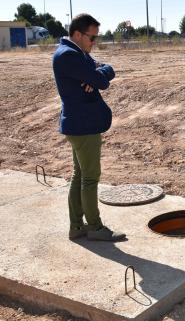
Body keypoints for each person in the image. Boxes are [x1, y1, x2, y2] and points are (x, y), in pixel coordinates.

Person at [52, 13, 126, 242]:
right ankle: (94, 227)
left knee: (79, 175)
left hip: (78, 124)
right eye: (92, 38)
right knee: (90, 178)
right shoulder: (70, 56)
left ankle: (77, 226)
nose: (94, 43)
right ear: (77, 34)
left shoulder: (75, 54)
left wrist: (96, 73)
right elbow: (102, 81)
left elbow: (105, 70)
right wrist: (96, 76)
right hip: (83, 126)